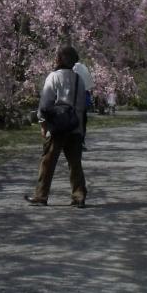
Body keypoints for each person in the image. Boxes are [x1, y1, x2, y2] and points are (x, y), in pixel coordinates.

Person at [25, 45, 88, 207]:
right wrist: (81, 130)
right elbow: (82, 106)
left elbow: (45, 103)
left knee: (47, 162)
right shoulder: (79, 80)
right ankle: (79, 196)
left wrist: (43, 124)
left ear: (59, 59)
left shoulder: (53, 77)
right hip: (75, 127)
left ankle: (41, 195)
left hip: (57, 127)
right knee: (75, 164)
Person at [72, 56, 95, 142]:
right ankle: (81, 139)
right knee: (82, 121)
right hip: (82, 105)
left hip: (73, 103)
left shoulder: (71, 69)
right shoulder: (83, 68)